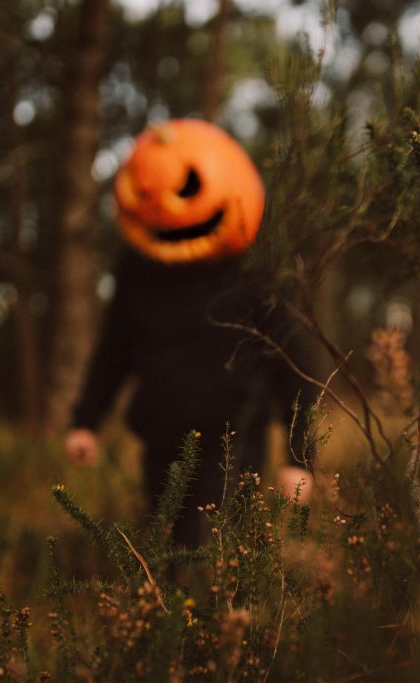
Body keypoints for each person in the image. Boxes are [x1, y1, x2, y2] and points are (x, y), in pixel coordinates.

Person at [63, 119, 317, 545]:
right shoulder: (138, 269)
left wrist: (300, 457)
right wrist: (86, 420)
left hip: (233, 444)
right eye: (145, 192)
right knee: (169, 549)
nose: (166, 205)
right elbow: (114, 349)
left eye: (186, 188)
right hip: (160, 440)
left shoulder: (254, 273)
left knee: (221, 554)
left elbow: (294, 366)